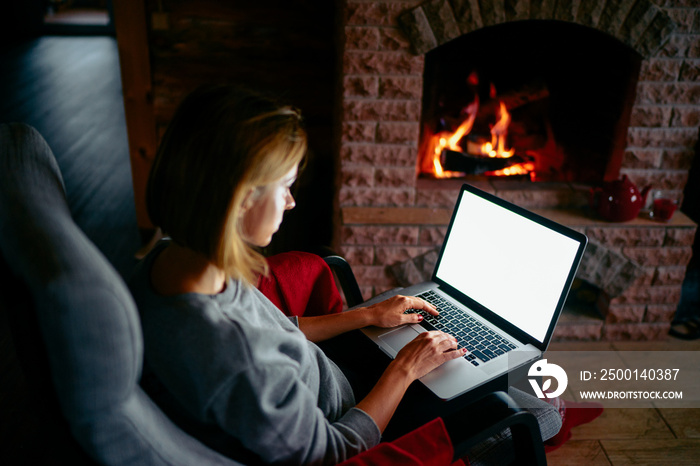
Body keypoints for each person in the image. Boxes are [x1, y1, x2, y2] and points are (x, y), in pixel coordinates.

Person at [128, 84, 563, 465]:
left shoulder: (174, 260)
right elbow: (334, 452)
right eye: (285, 187)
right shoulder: (235, 359)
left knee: (420, 323)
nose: (292, 202)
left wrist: (365, 317)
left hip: (330, 376)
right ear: (239, 198)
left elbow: (277, 330)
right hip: (357, 417)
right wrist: (404, 370)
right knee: (543, 408)